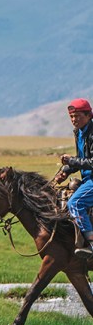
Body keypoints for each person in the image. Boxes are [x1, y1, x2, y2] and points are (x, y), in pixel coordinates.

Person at [55, 98, 93, 258]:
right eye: (71, 116)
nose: (73, 119)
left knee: (75, 203)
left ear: (89, 115)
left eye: (77, 116)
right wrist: (66, 171)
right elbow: (82, 159)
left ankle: (91, 243)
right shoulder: (79, 132)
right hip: (88, 179)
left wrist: (71, 161)